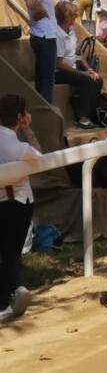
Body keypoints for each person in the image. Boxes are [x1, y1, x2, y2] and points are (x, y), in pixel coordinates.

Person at [0, 95, 39, 323]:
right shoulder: (20, 146)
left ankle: (14, 291)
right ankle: (13, 294)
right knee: (11, 253)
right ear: (20, 117)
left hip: (8, 203)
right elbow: (42, 158)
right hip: (18, 204)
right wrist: (28, 130)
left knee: (6, 253)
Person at [54, 2, 102, 129]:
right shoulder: (57, 34)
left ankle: (89, 112)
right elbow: (59, 64)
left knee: (98, 79)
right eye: (73, 16)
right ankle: (82, 118)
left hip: (71, 68)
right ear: (66, 18)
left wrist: (89, 69)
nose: (75, 18)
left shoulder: (71, 30)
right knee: (87, 80)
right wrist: (83, 73)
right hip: (58, 72)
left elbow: (79, 54)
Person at [23, 0, 59, 103]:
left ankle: (42, 107)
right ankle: (46, 109)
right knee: (47, 79)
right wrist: (42, 11)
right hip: (45, 36)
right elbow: (30, 2)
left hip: (41, 34)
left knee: (42, 77)